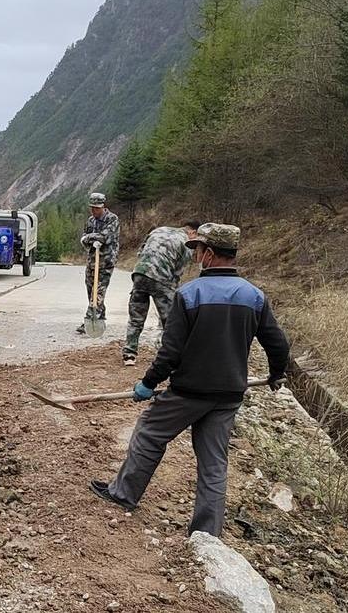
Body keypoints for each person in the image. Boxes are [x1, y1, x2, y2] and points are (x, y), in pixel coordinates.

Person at [89, 223, 291, 538]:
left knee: (149, 434)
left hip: (187, 392)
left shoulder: (189, 294)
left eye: (197, 250)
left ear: (209, 254)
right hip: (228, 395)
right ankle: (206, 532)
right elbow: (278, 344)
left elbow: (170, 352)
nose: (194, 255)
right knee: (213, 463)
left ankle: (123, 494)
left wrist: (147, 383)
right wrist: (277, 374)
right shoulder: (254, 297)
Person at [122, 221, 200, 366]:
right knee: (170, 321)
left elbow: (140, 252)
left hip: (140, 273)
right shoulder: (186, 242)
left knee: (136, 317)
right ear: (193, 232)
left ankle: (129, 354)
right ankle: (168, 355)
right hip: (161, 280)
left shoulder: (158, 230)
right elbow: (177, 272)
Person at [77, 192, 120, 334]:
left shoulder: (112, 219)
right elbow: (84, 238)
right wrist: (88, 239)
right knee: (90, 290)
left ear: (103, 206)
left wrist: (90, 238)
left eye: (96, 208)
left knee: (98, 291)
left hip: (106, 261)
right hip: (92, 261)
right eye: (92, 208)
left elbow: (104, 237)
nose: (94, 211)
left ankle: (90, 319)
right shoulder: (91, 220)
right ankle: (100, 314)